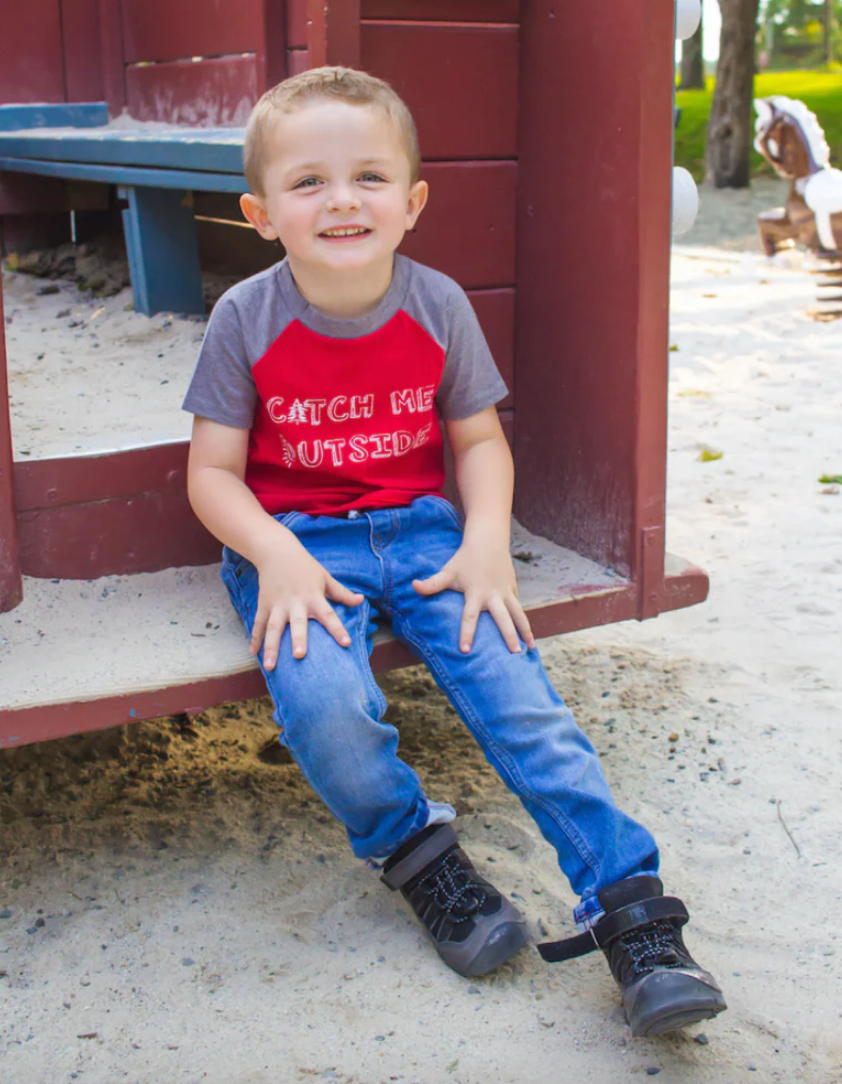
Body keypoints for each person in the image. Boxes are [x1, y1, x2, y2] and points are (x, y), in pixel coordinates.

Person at [183, 66, 726, 1039]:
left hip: (432, 535)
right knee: (324, 706)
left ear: (412, 201)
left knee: (526, 709)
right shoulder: (244, 319)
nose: (341, 199)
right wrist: (273, 555)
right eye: (306, 183)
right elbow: (211, 474)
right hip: (301, 543)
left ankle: (631, 910)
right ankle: (419, 854)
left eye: (368, 177)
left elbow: (476, 440)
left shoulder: (435, 305)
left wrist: (485, 544)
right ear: (259, 213)